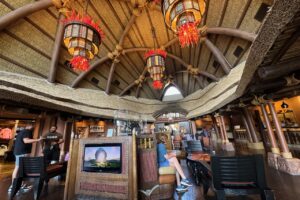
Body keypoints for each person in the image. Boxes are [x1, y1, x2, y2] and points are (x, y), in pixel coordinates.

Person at [8, 123, 42, 193]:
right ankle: (13, 187)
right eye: (33, 126)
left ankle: (20, 186)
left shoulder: (22, 132)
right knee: (18, 168)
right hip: (22, 153)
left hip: (19, 152)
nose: (34, 127)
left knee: (21, 169)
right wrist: (38, 140)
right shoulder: (27, 131)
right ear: (29, 126)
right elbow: (26, 141)